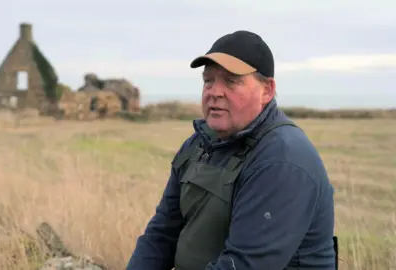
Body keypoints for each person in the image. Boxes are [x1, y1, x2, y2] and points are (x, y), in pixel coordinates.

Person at [126, 30, 337, 270]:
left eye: (231, 81)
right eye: (208, 81)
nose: (214, 92)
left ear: (267, 90)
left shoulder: (282, 160)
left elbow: (244, 265)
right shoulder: (199, 145)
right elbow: (160, 234)